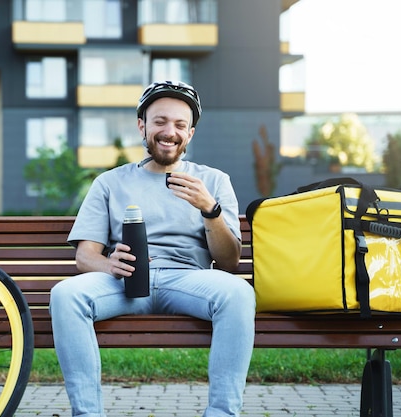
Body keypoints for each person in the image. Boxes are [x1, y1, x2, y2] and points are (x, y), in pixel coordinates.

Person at [49, 81, 256, 417]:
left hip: (189, 281)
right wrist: (109, 265)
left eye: (179, 124)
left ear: (190, 133)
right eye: (159, 121)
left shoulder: (214, 181)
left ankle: (221, 414)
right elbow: (85, 255)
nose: (168, 132)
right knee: (65, 295)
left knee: (239, 294)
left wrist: (210, 209)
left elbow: (229, 262)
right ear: (142, 126)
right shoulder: (110, 182)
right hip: (126, 284)